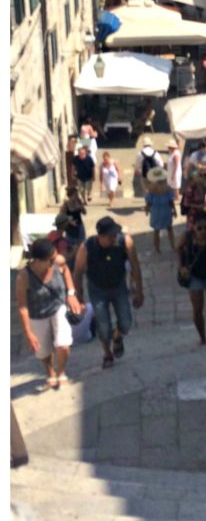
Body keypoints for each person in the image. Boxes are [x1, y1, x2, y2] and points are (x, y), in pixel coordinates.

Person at [72, 217, 144, 370]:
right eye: (111, 235)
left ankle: (117, 336)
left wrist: (139, 291)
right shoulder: (87, 247)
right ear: (101, 236)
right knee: (103, 325)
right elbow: (77, 273)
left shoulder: (125, 242)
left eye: (115, 234)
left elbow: (135, 265)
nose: (114, 238)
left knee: (126, 322)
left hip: (118, 286)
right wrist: (78, 297)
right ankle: (107, 353)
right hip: (97, 289)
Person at [16, 238, 83, 389]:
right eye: (52, 258)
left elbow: (65, 270)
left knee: (63, 344)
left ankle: (60, 372)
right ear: (40, 260)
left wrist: (71, 293)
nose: (57, 258)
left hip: (58, 307)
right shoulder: (23, 277)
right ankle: (50, 372)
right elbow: (22, 307)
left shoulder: (58, 261)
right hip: (37, 314)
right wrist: (28, 333)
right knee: (43, 351)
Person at [175, 210, 206, 346]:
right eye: (199, 228)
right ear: (193, 227)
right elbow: (178, 249)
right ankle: (202, 337)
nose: (203, 231)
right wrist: (181, 267)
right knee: (197, 309)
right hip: (195, 275)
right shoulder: (186, 237)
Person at [144, 166, 176, 254]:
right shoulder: (168, 188)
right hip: (166, 210)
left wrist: (146, 210)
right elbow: (171, 201)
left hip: (155, 212)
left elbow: (148, 202)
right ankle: (173, 245)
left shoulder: (150, 190)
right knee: (169, 229)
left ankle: (157, 248)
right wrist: (175, 210)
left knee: (156, 231)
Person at [166, 139, 183, 207]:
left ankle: (177, 198)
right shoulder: (173, 153)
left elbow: (176, 165)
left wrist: (173, 174)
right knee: (173, 185)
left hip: (175, 172)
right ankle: (175, 197)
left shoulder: (176, 154)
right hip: (172, 171)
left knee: (176, 186)